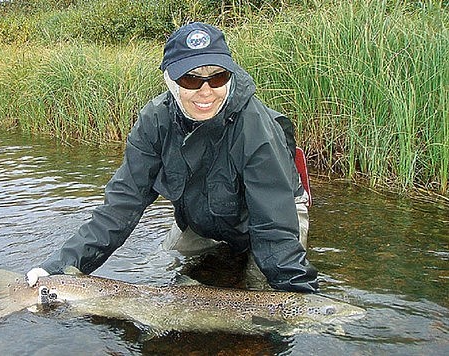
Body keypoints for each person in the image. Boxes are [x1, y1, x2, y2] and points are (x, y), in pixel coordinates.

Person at [26, 22, 318, 293]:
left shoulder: (256, 129)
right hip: (204, 220)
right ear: (170, 80)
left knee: (262, 288)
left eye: (217, 76)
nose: (206, 91)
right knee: (164, 268)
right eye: (190, 79)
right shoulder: (155, 122)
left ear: (230, 75)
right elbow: (120, 207)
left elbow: (273, 229)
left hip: (271, 216)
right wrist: (57, 271)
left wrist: (298, 297)